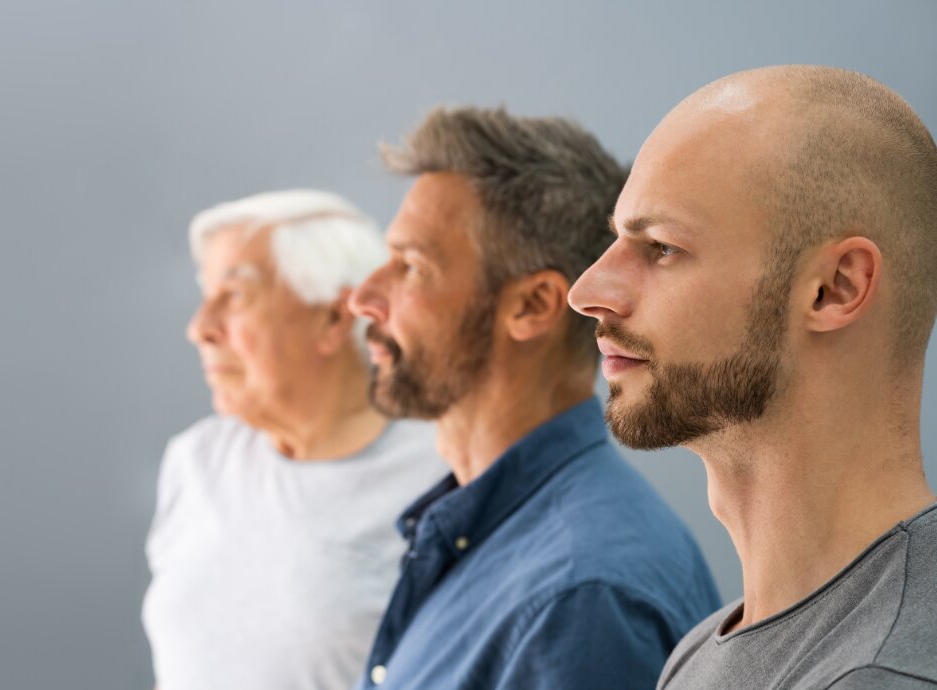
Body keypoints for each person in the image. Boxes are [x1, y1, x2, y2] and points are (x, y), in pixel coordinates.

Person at [569, 65, 937, 690]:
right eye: (615, 242)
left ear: (833, 288)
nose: (587, 292)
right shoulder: (701, 652)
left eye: (660, 246)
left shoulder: (886, 672)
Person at [347, 107, 721, 690]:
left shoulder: (582, 600)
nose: (365, 298)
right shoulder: (490, 539)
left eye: (410, 266)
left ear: (532, 306)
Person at [142, 190, 446, 690]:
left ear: (333, 318)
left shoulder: (443, 477)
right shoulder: (197, 462)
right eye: (205, 295)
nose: (200, 328)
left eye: (235, 296)